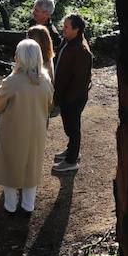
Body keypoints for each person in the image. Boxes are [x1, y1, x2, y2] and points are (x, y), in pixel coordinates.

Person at [0, 39, 54, 215]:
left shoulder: (12, 81)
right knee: (31, 165)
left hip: (13, 131)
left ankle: (10, 206)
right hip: (37, 130)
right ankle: (28, 205)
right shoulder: (45, 80)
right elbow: (49, 103)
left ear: (20, 58)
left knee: (10, 164)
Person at [52, 14, 92, 173]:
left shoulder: (81, 50)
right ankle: (71, 150)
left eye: (67, 27)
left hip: (73, 98)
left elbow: (79, 81)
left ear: (77, 29)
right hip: (65, 96)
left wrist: (66, 99)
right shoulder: (67, 41)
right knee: (69, 126)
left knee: (73, 128)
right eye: (64, 26)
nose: (64, 29)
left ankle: (71, 160)